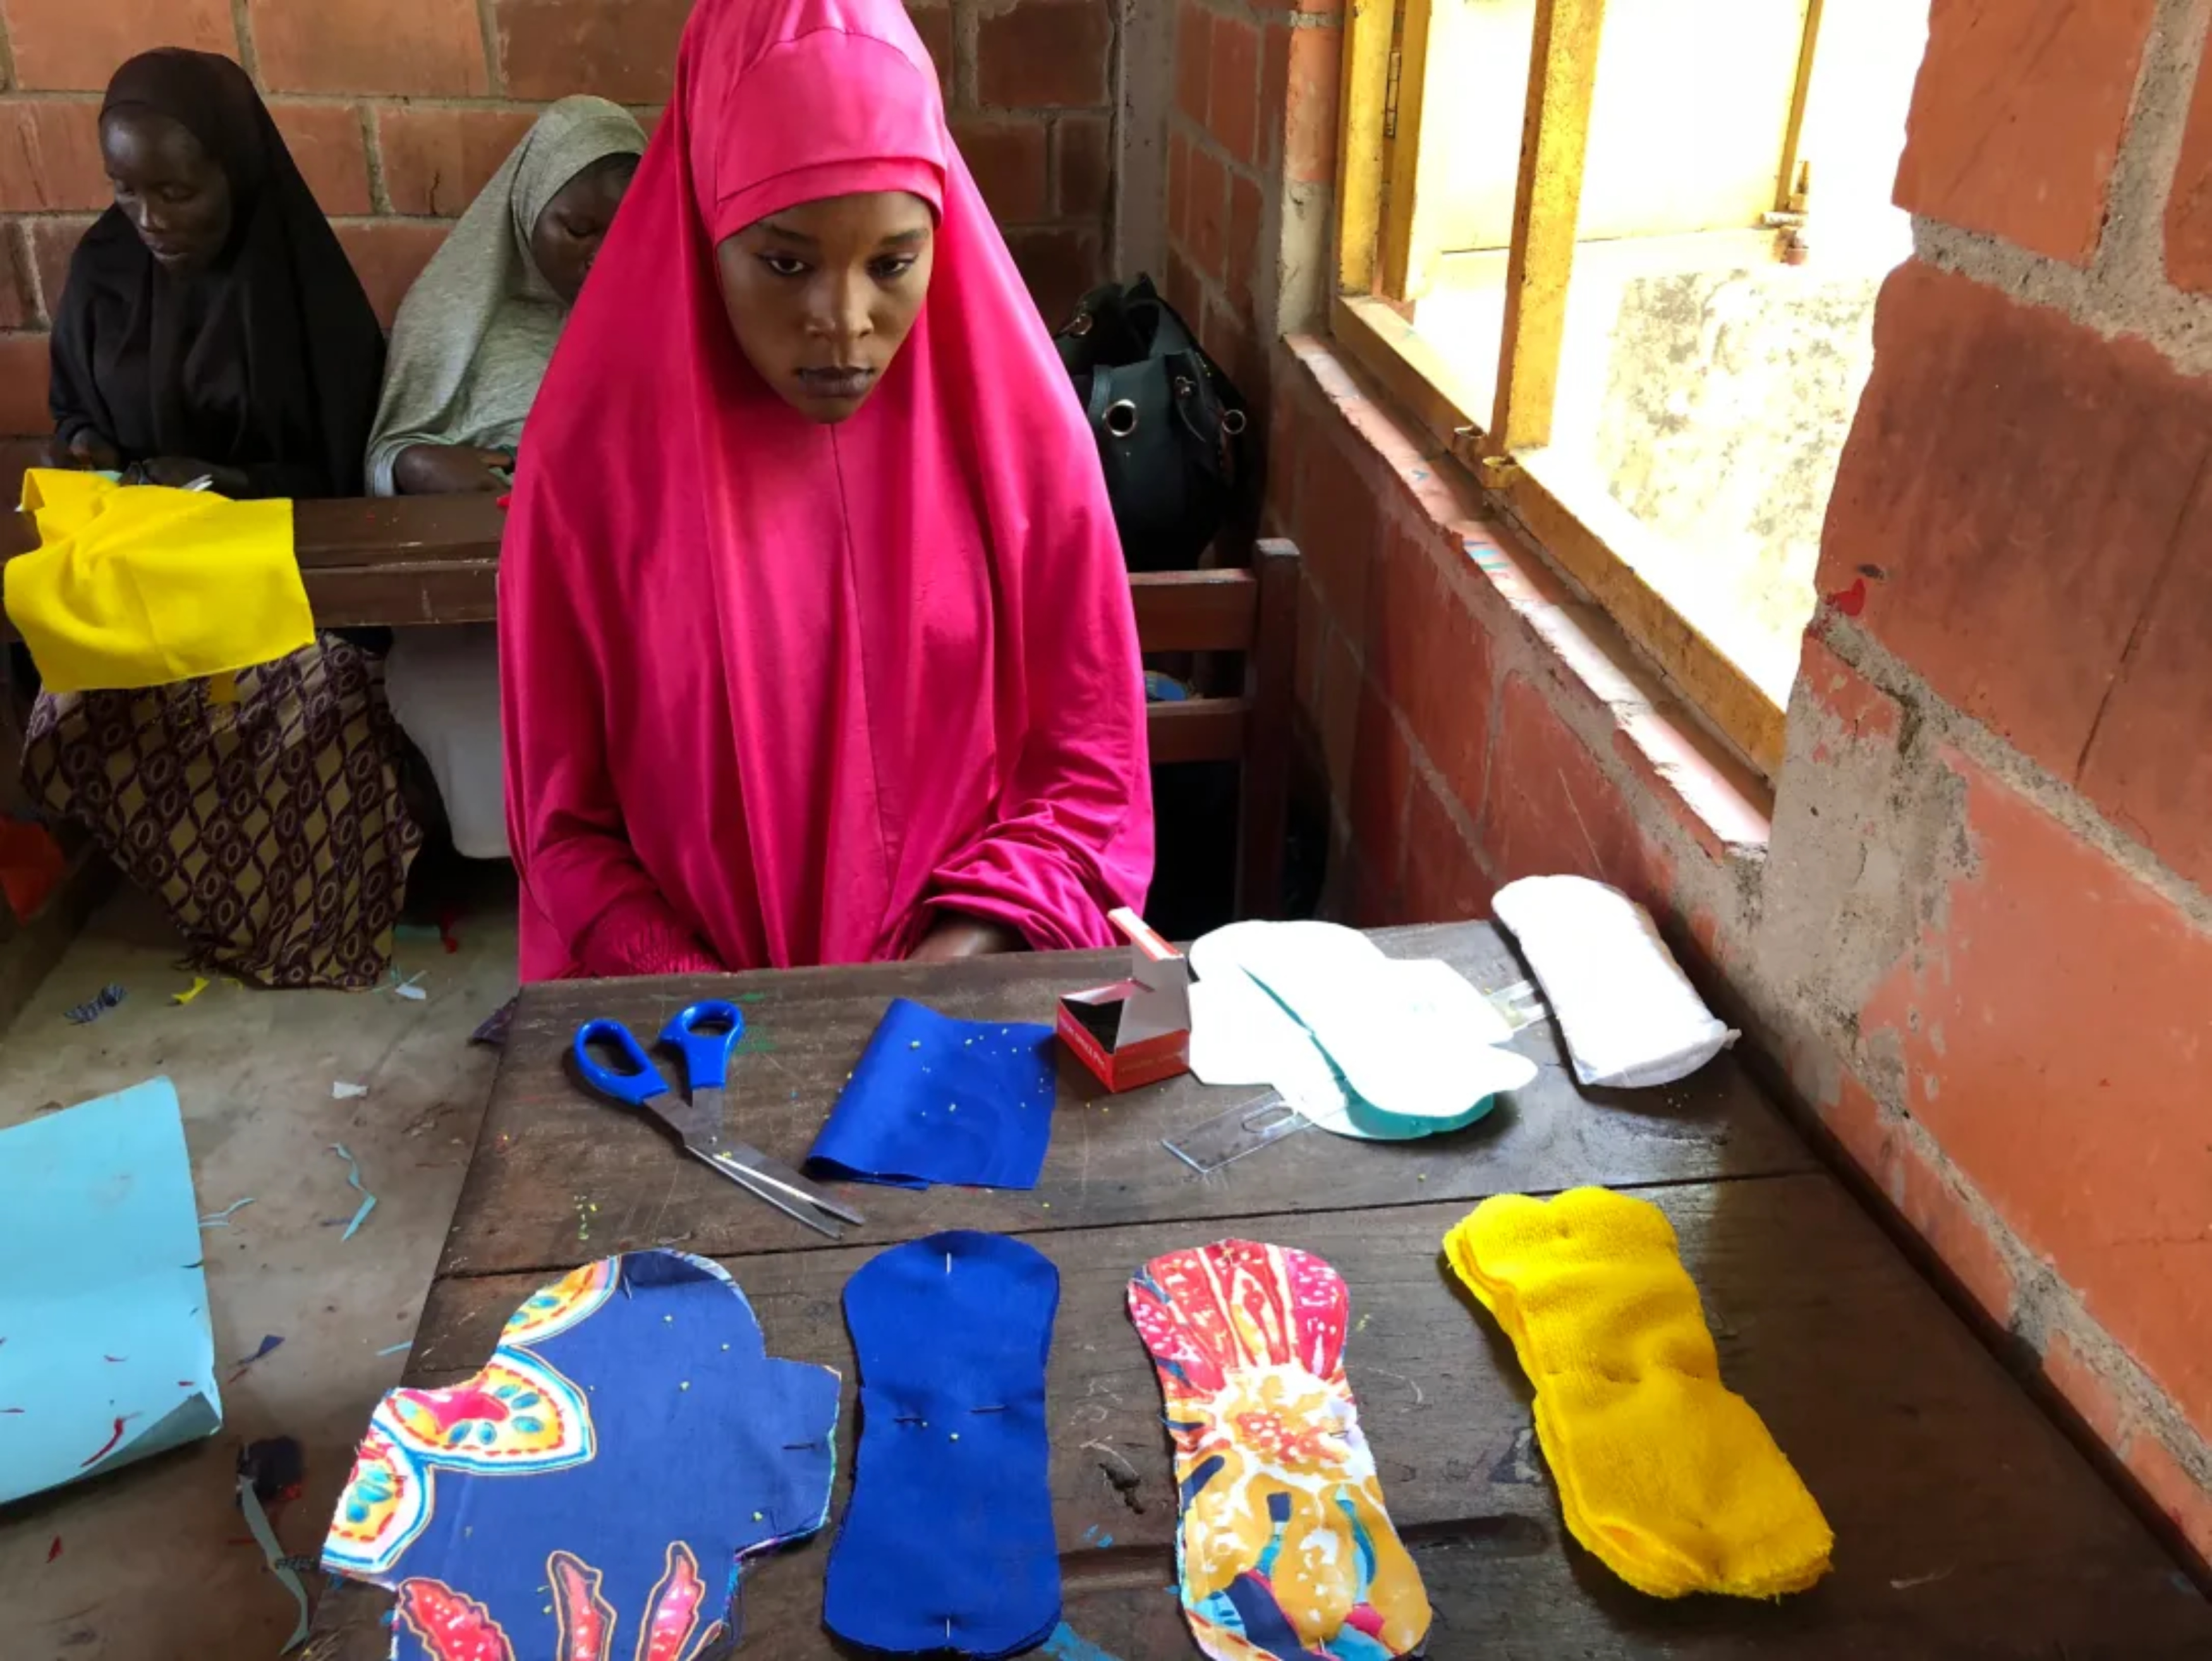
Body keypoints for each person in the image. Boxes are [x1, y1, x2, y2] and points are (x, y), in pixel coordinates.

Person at [499, 0, 1153, 981]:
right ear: (703, 217)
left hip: (959, 1001)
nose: (844, 324)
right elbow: (563, 824)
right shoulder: (591, 465)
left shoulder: (1022, 443)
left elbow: (1088, 772)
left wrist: (941, 971)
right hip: (686, 1036)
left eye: (893, 262)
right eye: (785, 262)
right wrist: (712, 1005)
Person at [28, 48, 416, 989]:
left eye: (177, 191)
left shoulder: (301, 290)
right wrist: (86, 454)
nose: (150, 220)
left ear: (234, 172)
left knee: (313, 697)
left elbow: (345, 470)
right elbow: (73, 410)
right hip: (149, 575)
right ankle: (214, 901)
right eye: (125, 190)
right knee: (66, 704)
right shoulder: (106, 269)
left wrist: (229, 482)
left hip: (291, 588)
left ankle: (309, 925)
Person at [367, 97, 647, 867]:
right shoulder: (460, 316)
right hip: (483, 607)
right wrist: (424, 464)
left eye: (623, 230)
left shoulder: (663, 315)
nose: (598, 256)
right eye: (576, 230)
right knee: (472, 698)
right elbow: (390, 449)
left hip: (627, 593)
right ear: (528, 217)